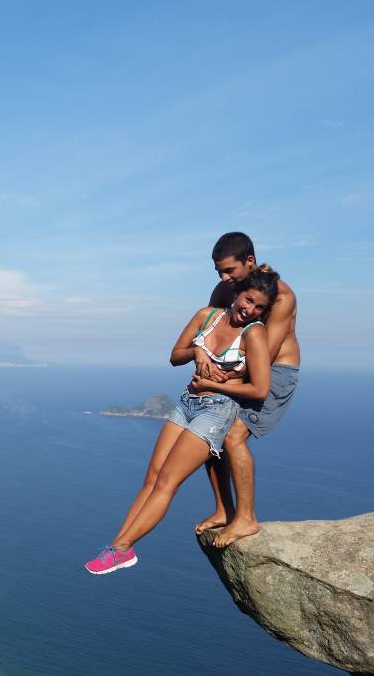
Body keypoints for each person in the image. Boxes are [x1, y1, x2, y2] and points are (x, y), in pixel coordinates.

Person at [85, 267, 281, 574]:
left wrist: (212, 385)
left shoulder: (253, 333)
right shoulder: (207, 315)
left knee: (167, 482)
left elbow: (260, 389)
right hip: (187, 402)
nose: (250, 310)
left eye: (259, 307)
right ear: (237, 294)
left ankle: (121, 550)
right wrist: (198, 351)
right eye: (248, 300)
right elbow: (175, 355)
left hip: (217, 411)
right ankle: (119, 544)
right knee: (151, 476)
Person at [193, 232, 300, 548]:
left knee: (232, 435)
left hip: (274, 372)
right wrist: (201, 356)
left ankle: (246, 518)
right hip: (233, 370)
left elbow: (263, 359)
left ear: (249, 262)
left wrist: (217, 379)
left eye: (229, 270)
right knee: (207, 431)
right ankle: (225, 509)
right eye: (219, 272)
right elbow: (206, 329)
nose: (224, 278)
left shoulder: (282, 297)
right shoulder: (227, 289)